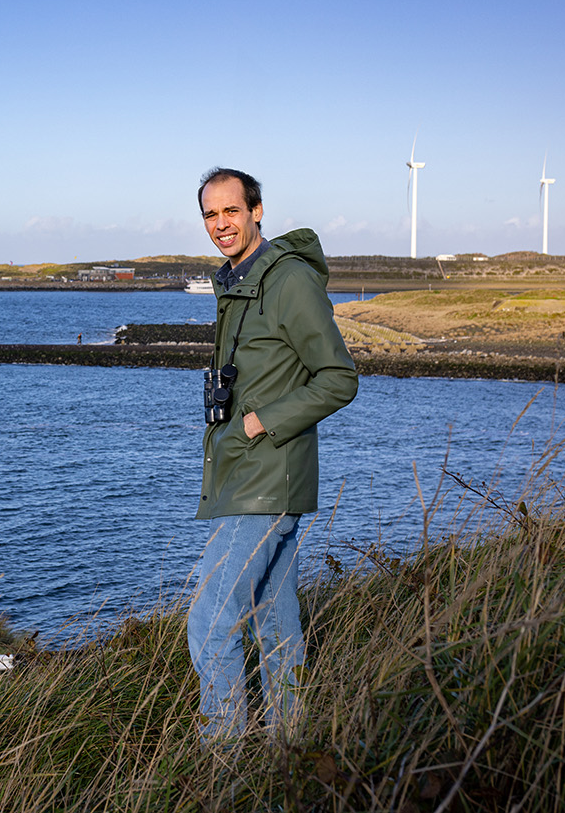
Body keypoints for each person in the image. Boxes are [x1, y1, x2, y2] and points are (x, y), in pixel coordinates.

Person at [187, 166, 358, 739]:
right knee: (274, 624)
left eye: (230, 211)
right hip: (250, 474)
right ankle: (289, 759)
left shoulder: (286, 281)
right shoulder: (236, 283)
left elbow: (338, 377)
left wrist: (259, 423)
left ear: (257, 211)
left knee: (210, 621)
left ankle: (226, 767)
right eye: (211, 215)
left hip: (266, 477)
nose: (221, 224)